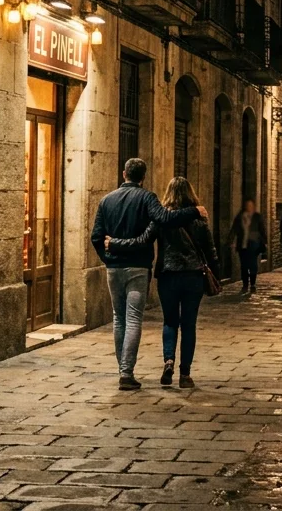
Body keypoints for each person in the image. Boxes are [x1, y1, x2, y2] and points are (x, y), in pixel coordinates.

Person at [90, 158, 205, 391]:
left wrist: (109, 258)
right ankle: (126, 373)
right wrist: (194, 210)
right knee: (132, 318)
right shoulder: (147, 198)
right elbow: (165, 218)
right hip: (138, 268)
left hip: (113, 269)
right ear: (143, 177)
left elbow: (96, 237)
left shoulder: (106, 200)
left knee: (118, 317)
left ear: (124, 174)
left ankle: (124, 370)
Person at [149, 176, 220, 389]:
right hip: (193, 277)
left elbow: (147, 239)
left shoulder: (161, 219)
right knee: (188, 325)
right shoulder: (198, 218)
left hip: (168, 276)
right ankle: (185, 374)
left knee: (170, 321)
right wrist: (216, 273)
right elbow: (210, 250)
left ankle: (168, 361)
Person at [229, 199, 266, 292]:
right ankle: (245, 285)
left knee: (253, 265)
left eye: (251, 205)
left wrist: (264, 242)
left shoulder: (257, 217)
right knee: (244, 265)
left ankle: (252, 284)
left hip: (254, 245)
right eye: (247, 205)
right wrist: (230, 240)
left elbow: (262, 230)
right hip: (242, 245)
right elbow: (234, 229)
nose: (249, 207)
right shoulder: (240, 217)